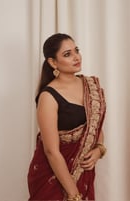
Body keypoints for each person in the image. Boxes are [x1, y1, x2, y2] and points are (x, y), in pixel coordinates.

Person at [27, 33, 107, 201]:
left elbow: (95, 123)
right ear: (52, 62)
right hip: (53, 176)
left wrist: (99, 149)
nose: (76, 57)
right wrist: (73, 194)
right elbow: (51, 151)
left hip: (83, 172)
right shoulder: (48, 97)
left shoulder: (89, 85)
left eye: (76, 50)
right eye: (67, 54)